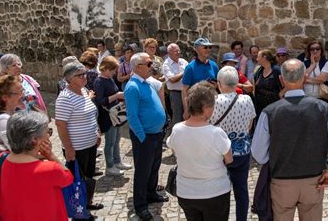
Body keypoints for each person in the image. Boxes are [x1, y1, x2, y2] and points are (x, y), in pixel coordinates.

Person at [251, 59, 328, 220]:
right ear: (305, 78)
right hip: (314, 180)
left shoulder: (270, 112)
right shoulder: (323, 108)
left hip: (282, 181)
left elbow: (259, 153)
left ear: (281, 80)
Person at [167, 81, 233, 221]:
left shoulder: (177, 130)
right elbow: (229, 159)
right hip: (214, 192)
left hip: (187, 192)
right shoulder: (216, 133)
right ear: (206, 108)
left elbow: (173, 148)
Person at [0, 111, 73, 221]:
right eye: (48, 132)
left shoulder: (0, 159)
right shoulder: (50, 169)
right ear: (34, 139)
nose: (49, 135)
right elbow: (68, 177)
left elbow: (22, 168)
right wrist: (50, 155)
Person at [124, 52, 168, 221]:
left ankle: (151, 193)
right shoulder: (132, 87)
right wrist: (142, 137)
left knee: (154, 167)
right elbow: (132, 117)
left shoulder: (146, 83)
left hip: (156, 134)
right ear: (137, 67)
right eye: (148, 64)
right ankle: (140, 205)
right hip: (145, 136)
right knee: (143, 171)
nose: (152, 66)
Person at [55, 62, 102, 216]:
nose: (84, 77)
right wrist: (69, 148)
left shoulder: (83, 91)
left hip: (90, 144)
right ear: (69, 78)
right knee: (77, 181)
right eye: (80, 75)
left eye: (85, 73)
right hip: (76, 147)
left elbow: (91, 115)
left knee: (88, 176)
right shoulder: (65, 98)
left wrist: (96, 132)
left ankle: (87, 203)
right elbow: (60, 124)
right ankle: (78, 212)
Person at [209, 66, 255, 221]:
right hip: (242, 151)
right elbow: (249, 126)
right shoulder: (247, 100)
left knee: (220, 191)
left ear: (219, 83)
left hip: (219, 153)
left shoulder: (213, 102)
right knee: (241, 189)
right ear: (236, 83)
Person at [94, 56, 132, 176]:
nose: (114, 73)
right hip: (108, 116)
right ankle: (110, 166)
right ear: (105, 69)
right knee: (110, 142)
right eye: (113, 70)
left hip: (116, 114)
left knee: (116, 140)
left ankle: (117, 161)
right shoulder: (99, 81)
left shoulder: (109, 79)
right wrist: (116, 96)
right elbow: (100, 101)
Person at [182, 36, 219, 120]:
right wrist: (186, 109)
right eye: (205, 47)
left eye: (210, 47)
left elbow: (218, 85)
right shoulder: (190, 67)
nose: (208, 49)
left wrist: (215, 86)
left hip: (211, 105)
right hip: (196, 107)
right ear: (196, 49)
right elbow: (184, 90)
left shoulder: (214, 65)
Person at [0, 75, 24, 151]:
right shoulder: (2, 119)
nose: (23, 95)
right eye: (19, 93)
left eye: (23, 91)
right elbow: (17, 151)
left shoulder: (14, 112)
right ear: (5, 97)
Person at [162, 43, 188, 125]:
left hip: (187, 92)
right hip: (176, 93)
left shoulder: (183, 61)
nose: (178, 52)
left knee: (188, 115)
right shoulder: (166, 65)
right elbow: (172, 79)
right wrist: (185, 72)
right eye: (176, 51)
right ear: (169, 52)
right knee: (177, 117)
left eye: (179, 50)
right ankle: (176, 135)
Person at [253, 49, 282, 117]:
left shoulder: (276, 70)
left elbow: (285, 84)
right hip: (260, 108)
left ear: (264, 57)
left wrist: (281, 93)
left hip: (273, 106)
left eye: (258, 57)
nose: (257, 59)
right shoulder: (259, 71)